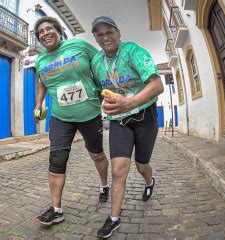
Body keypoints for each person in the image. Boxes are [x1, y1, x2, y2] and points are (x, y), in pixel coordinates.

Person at [90, 16, 164, 238]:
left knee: (142, 166)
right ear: (95, 38)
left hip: (144, 117)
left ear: (118, 33)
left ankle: (149, 181)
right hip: (119, 121)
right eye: (99, 34)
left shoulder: (133, 52)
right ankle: (114, 218)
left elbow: (157, 84)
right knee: (118, 170)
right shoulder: (96, 62)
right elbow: (97, 91)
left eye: (109, 31)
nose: (105, 37)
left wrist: (130, 102)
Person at [33, 16, 110, 226]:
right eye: (40, 32)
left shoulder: (78, 45)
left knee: (97, 155)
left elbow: (102, 62)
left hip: (89, 113)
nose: (45, 33)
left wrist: (107, 90)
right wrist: (38, 103)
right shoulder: (41, 60)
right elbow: (41, 80)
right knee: (56, 159)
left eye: (49, 28)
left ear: (59, 31)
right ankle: (56, 209)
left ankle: (104, 185)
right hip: (61, 116)